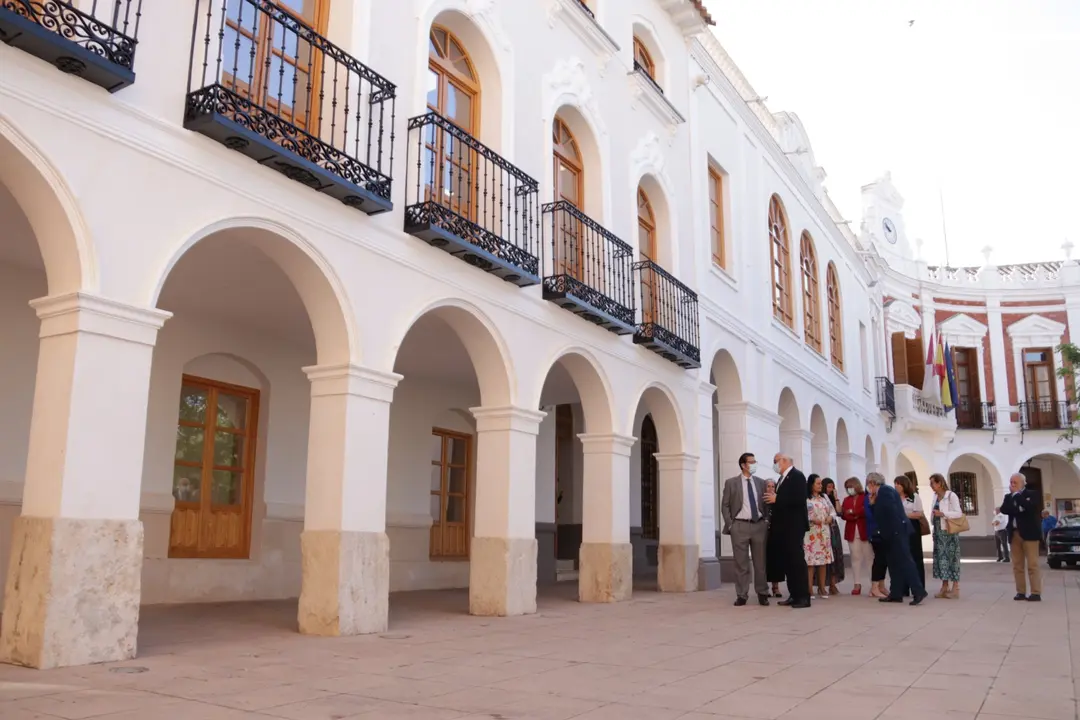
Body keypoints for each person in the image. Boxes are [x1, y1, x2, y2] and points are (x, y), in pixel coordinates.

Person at [870, 473, 927, 605]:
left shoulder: (884, 491)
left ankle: (918, 590)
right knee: (893, 563)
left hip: (896, 532)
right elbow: (882, 513)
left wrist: (894, 530)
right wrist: (873, 504)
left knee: (905, 561)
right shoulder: (884, 492)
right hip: (891, 533)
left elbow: (891, 511)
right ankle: (896, 593)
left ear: (872, 483)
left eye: (869, 485)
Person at [721, 452, 769, 606]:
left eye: (755, 461)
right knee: (741, 563)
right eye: (751, 462)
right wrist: (730, 524)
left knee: (760, 563)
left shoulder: (761, 483)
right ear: (743, 465)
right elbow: (725, 505)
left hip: (759, 525)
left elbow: (767, 503)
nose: (754, 464)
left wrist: (766, 521)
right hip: (739, 526)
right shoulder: (731, 483)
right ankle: (742, 594)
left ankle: (762, 593)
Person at [765, 453, 811, 608]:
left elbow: (799, 499)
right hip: (783, 527)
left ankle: (803, 596)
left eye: (775, 461)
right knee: (789, 562)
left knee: (797, 562)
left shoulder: (797, 476)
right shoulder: (782, 479)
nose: (774, 464)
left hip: (794, 526)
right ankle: (794, 594)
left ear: (784, 461)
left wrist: (778, 499)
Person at [1002, 473, 1042, 602]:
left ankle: (1035, 592)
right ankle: (1021, 592)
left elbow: (1030, 509)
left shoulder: (1033, 494)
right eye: (1011, 482)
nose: (1012, 485)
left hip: (1030, 534)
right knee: (1017, 565)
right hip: (1014, 534)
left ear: (1023, 483)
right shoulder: (1008, 497)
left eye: (1015, 483)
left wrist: (1018, 497)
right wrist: (1019, 508)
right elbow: (1004, 509)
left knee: (1032, 564)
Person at [929, 473, 963, 599]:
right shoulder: (935, 496)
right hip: (938, 532)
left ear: (939, 483)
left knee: (952, 558)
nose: (931, 486)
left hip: (949, 532)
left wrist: (943, 513)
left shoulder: (951, 495)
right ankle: (944, 587)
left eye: (933, 483)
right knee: (940, 560)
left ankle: (955, 587)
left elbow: (958, 513)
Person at [893, 475, 926, 593]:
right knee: (901, 557)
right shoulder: (894, 497)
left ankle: (918, 586)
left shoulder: (914, 497)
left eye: (898, 483)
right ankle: (903, 587)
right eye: (895, 483)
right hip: (899, 527)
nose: (896, 486)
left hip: (912, 527)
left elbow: (919, 514)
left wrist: (904, 515)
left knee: (915, 556)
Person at [805, 474, 834, 599]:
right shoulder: (806, 498)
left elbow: (832, 510)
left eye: (821, 484)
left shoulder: (824, 497)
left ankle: (822, 588)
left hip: (823, 532)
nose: (820, 486)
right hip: (811, 533)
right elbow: (802, 513)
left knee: (823, 561)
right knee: (810, 561)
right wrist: (811, 519)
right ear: (811, 484)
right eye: (818, 483)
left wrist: (830, 517)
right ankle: (809, 588)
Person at [840, 477, 870, 596]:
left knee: (869, 558)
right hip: (852, 531)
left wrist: (853, 513)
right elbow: (844, 514)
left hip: (864, 530)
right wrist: (853, 514)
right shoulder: (846, 500)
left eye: (850, 487)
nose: (849, 490)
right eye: (847, 488)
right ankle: (856, 584)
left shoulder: (865, 497)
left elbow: (865, 511)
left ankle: (873, 583)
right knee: (855, 558)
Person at [865, 476, 888, 598]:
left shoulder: (881, 497)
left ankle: (881, 585)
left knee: (884, 559)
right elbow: (870, 515)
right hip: (875, 532)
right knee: (878, 559)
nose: (870, 487)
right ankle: (874, 587)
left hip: (883, 531)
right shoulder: (868, 498)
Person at [821, 478, 845, 595]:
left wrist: (836, 497)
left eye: (832, 487)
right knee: (826, 557)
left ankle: (833, 583)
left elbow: (839, 512)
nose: (830, 489)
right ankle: (824, 583)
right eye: (828, 486)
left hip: (834, 529)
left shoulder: (831, 499)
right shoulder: (821, 499)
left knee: (836, 555)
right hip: (825, 529)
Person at [763, 479, 784, 598]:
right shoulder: (761, 501)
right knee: (763, 560)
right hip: (763, 533)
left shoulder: (778, 501)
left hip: (776, 533)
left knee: (776, 560)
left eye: (773, 486)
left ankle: (775, 587)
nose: (771, 489)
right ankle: (764, 587)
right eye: (768, 486)